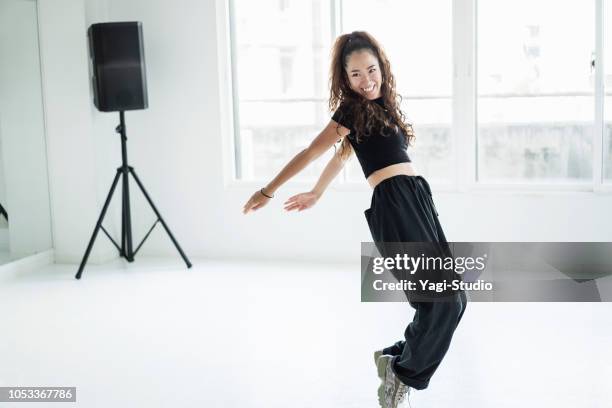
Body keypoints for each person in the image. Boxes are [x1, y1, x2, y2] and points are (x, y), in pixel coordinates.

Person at [243, 31, 467, 408]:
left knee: (452, 297)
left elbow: (342, 156)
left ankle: (395, 358)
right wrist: (269, 189)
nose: (367, 81)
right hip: (395, 204)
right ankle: (400, 373)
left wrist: (317, 192)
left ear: (382, 68)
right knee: (441, 299)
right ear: (344, 80)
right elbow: (313, 151)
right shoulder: (351, 110)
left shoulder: (381, 108)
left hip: (418, 199)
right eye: (356, 75)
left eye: (371, 70)